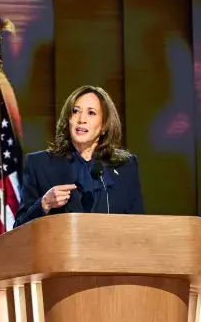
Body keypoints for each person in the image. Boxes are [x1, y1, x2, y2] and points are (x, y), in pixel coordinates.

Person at [14, 85, 144, 227]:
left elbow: (138, 226)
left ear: (104, 126)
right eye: (75, 111)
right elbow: (19, 229)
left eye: (91, 113)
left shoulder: (125, 166)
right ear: (68, 119)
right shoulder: (39, 164)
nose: (81, 119)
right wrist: (44, 204)